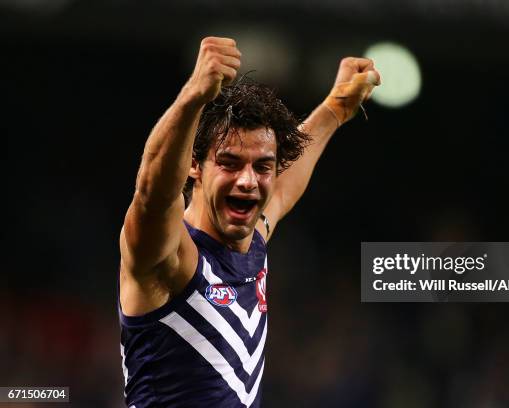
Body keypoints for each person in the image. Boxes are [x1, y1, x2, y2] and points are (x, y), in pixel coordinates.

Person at [118, 36, 380, 407]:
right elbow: (151, 195)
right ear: (195, 165)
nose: (248, 180)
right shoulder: (169, 258)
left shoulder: (253, 237)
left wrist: (335, 108)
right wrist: (194, 95)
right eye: (229, 163)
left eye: (262, 167)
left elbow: (284, 189)